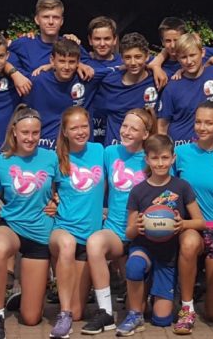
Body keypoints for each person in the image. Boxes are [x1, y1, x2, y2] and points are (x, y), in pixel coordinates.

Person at [119, 134, 206, 336]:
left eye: (165, 157)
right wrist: (137, 227)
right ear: (147, 159)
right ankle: (134, 314)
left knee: (162, 319)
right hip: (144, 248)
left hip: (168, 255)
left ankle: (156, 288)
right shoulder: (138, 191)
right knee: (134, 266)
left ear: (173, 158)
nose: (160, 163)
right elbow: (129, 232)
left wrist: (183, 224)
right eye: (155, 158)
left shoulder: (181, 186)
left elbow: (200, 222)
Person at [0, 105, 60, 338]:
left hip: (40, 232)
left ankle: (26, 295)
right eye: (25, 132)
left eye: (35, 132)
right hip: (12, 226)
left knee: (30, 319)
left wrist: (57, 203)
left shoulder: (51, 158)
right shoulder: (0, 162)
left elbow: (60, 192)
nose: (30, 138)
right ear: (15, 132)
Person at [82, 108, 156, 334]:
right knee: (94, 243)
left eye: (134, 128)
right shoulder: (110, 152)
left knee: (145, 310)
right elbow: (98, 185)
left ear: (145, 134)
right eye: (124, 126)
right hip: (115, 230)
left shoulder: (152, 158)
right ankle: (105, 312)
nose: (126, 131)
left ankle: (147, 293)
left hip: (143, 234)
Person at [172, 102, 213, 331]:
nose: (202, 127)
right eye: (198, 121)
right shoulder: (181, 154)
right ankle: (186, 307)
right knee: (189, 244)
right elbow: (167, 189)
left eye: (209, 123)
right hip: (191, 226)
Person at [49, 106, 106, 339]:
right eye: (74, 128)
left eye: (84, 126)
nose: (81, 131)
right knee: (67, 244)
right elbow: (46, 191)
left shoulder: (100, 150)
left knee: (79, 312)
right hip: (63, 229)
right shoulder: (56, 158)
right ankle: (63, 314)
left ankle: (70, 307)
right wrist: (50, 203)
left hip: (90, 236)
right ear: (64, 131)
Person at [157, 33, 213, 145]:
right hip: (181, 148)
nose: (189, 61)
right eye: (183, 57)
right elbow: (162, 126)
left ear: (203, 52)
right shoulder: (172, 87)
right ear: (178, 59)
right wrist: (165, 151)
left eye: (192, 55)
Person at [27, 38, 101, 148]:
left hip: (78, 147)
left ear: (78, 61)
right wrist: (13, 72)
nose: (66, 67)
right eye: (61, 61)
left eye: (71, 62)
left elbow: (117, 69)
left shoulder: (87, 77)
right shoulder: (37, 81)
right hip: (47, 146)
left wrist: (81, 66)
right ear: (52, 60)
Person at [96, 33, 160, 146]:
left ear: (147, 56)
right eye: (128, 57)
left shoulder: (157, 80)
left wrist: (157, 65)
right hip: (115, 148)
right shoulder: (109, 82)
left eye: (138, 57)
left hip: (143, 150)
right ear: (121, 58)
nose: (133, 62)